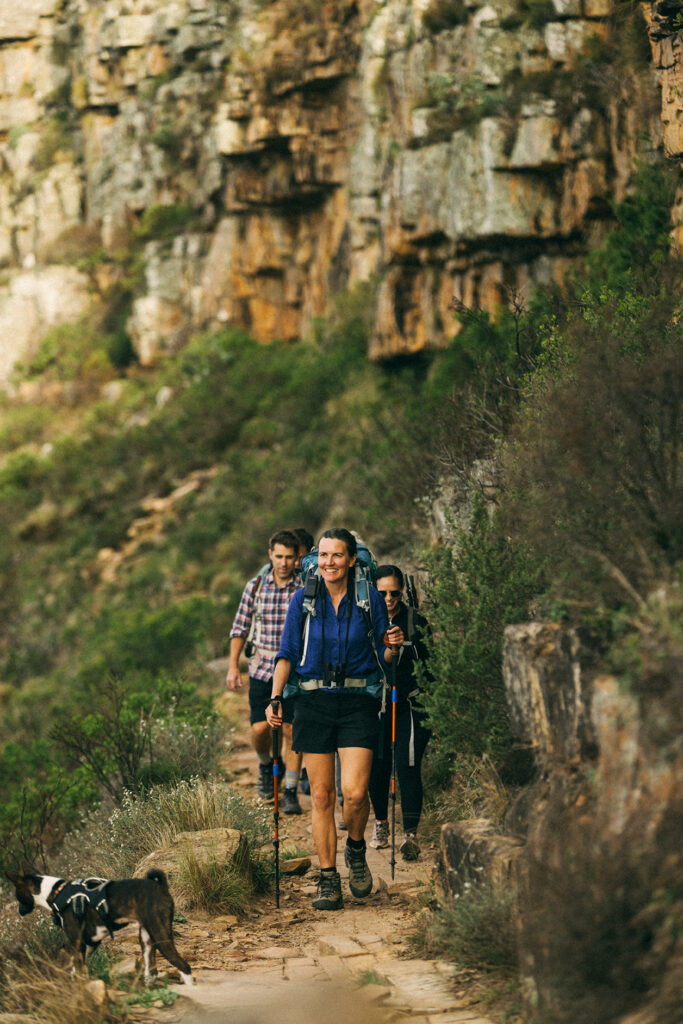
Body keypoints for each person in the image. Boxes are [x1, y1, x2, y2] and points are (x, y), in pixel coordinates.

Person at [266, 528, 402, 911]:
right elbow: (287, 653)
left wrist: (391, 648)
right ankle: (329, 879)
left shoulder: (369, 598)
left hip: (359, 701)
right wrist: (276, 696)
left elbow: (384, 655)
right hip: (312, 702)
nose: (329, 563)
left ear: (352, 559)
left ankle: (355, 850)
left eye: (337, 556)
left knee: (355, 793)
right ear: (316, 560)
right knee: (322, 796)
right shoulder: (302, 600)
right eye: (323, 556)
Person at [226, 530, 304, 813]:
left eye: (289, 557)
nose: (283, 563)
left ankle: (291, 791)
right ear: (270, 555)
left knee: (291, 729)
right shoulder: (256, 586)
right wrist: (234, 665)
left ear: (297, 558)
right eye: (279, 556)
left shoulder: (304, 587)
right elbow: (239, 628)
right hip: (260, 670)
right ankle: (266, 763)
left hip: (295, 673)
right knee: (260, 729)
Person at [368, 565, 432, 861]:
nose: (389, 598)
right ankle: (381, 824)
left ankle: (411, 835)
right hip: (376, 705)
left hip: (409, 704)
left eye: (395, 593)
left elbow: (432, 666)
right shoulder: (364, 620)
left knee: (408, 766)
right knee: (377, 768)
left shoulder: (415, 621)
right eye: (382, 593)